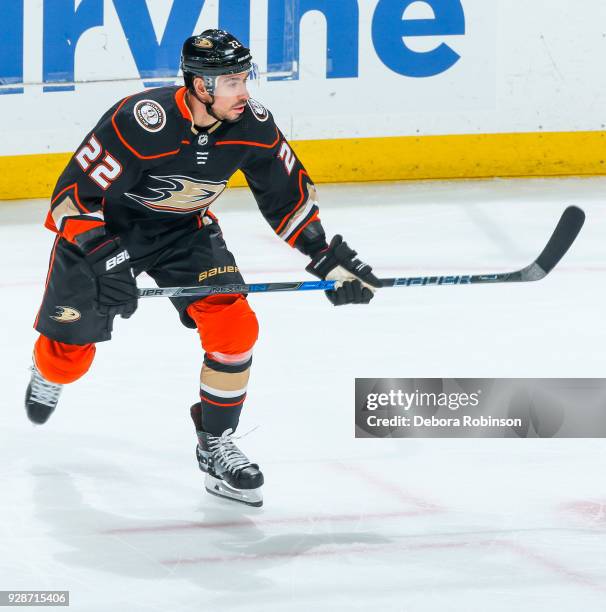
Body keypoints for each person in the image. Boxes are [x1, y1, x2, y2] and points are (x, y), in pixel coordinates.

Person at [26, 29, 380, 506]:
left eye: (244, 79)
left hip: (183, 233)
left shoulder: (252, 125)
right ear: (198, 85)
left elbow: (285, 199)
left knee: (234, 327)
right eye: (231, 82)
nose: (244, 92)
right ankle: (49, 370)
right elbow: (71, 200)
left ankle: (215, 444)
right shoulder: (140, 121)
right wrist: (106, 256)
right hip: (103, 233)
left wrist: (325, 259)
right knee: (67, 356)